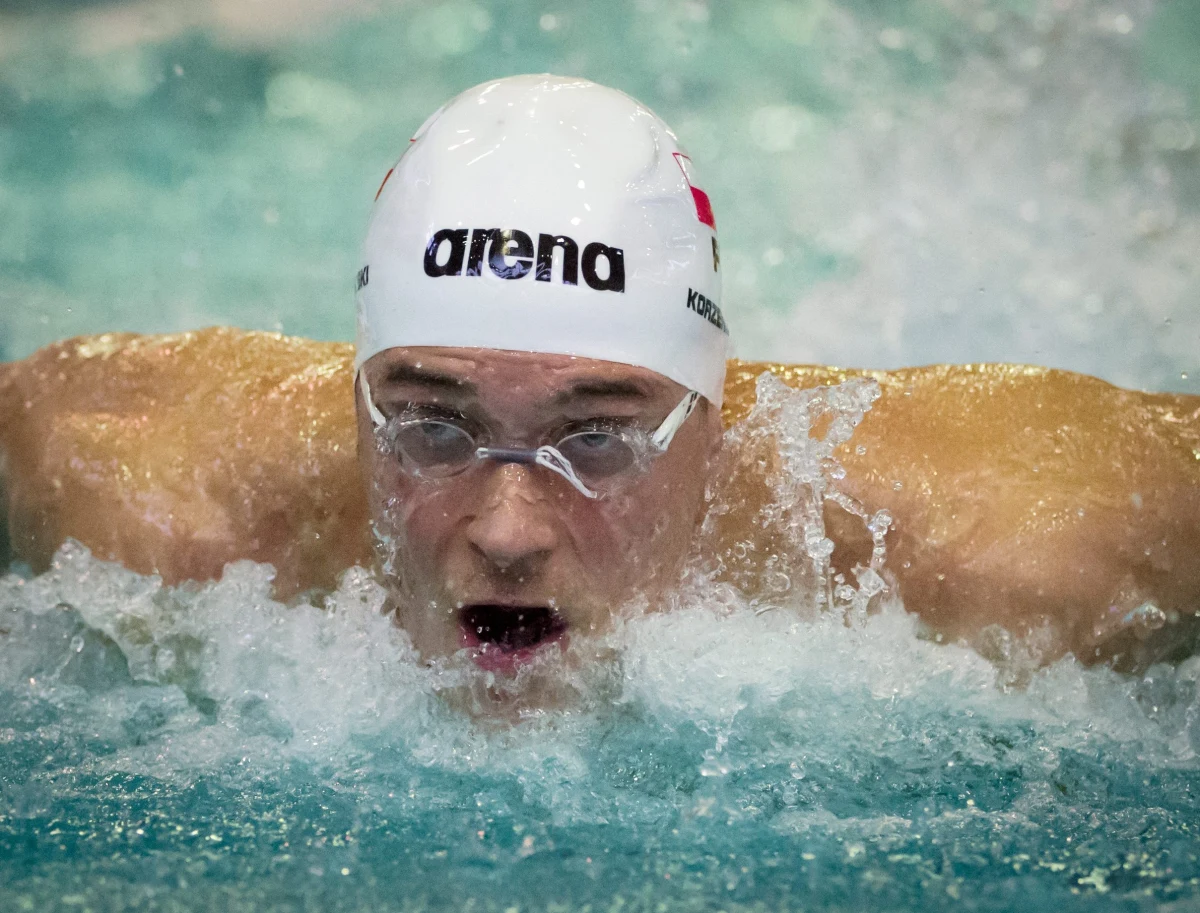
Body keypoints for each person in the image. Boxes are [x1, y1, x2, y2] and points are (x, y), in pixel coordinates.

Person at [2, 75, 1199, 674]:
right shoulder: (151, 495)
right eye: (432, 425)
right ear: (353, 404)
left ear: (713, 426)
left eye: (599, 434)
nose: (510, 527)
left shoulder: (1008, 544)